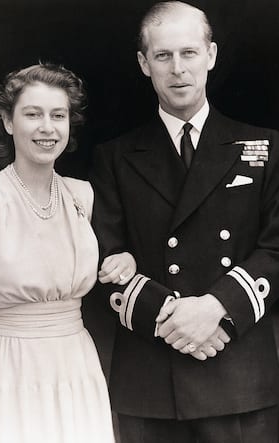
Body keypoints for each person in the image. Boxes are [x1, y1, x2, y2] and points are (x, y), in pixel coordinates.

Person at [90, 2, 279, 442]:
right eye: (163, 56)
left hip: (238, 373)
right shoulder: (115, 157)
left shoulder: (267, 148)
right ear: (144, 64)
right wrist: (173, 317)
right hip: (150, 380)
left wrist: (216, 309)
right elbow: (102, 259)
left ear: (210, 56)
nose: (178, 69)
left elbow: (276, 247)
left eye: (189, 53)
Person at [0, 63, 136, 443]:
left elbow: (113, 257)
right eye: (32, 114)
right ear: (8, 122)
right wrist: (6, 335)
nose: (47, 128)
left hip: (75, 363)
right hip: (6, 366)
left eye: (58, 115)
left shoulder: (83, 195)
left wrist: (125, 259)